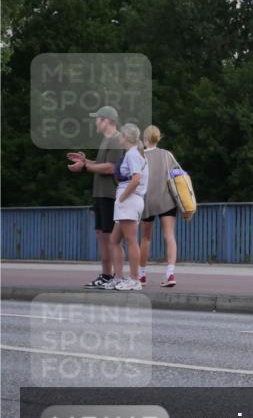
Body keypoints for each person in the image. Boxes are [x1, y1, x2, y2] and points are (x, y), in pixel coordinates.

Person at [67, 105, 124, 289]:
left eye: (97, 119)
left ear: (106, 121)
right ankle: (106, 276)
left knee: (111, 237)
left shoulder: (116, 140)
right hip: (100, 194)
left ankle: (117, 277)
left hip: (110, 195)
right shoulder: (106, 140)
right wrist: (84, 161)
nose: (95, 123)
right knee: (101, 235)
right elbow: (101, 164)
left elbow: (111, 167)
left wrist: (85, 167)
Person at [138, 125, 180, 287]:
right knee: (169, 235)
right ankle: (170, 274)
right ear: (159, 138)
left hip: (147, 201)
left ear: (145, 139)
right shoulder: (167, 155)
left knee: (145, 238)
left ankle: (141, 275)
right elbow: (178, 174)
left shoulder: (140, 156)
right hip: (167, 200)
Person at [109, 123, 148, 291]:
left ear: (125, 137)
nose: (119, 137)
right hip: (129, 200)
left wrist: (122, 197)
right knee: (114, 240)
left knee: (131, 240)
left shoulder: (132, 154)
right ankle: (119, 278)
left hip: (129, 200)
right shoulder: (134, 154)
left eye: (121, 135)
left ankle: (134, 279)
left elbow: (136, 179)